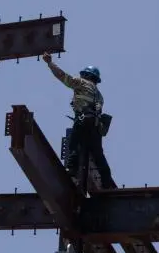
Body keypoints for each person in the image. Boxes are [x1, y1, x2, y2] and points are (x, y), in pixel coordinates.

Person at [42, 52, 113, 189]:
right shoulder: (99, 95)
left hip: (83, 120)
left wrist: (50, 63)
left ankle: (71, 171)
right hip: (96, 126)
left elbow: (63, 77)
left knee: (74, 145)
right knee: (98, 154)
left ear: (86, 75)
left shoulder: (82, 83)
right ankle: (106, 181)